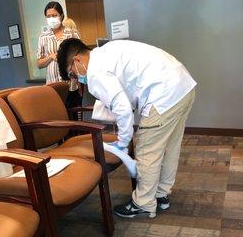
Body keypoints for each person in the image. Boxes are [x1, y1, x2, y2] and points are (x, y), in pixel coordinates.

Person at [57, 38, 196, 219]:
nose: (77, 79)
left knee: (147, 150)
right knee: (170, 147)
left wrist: (122, 142)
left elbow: (123, 109)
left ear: (77, 61)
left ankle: (144, 203)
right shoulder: (107, 51)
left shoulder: (95, 72)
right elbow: (127, 91)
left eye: (73, 75)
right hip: (183, 86)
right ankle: (161, 194)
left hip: (164, 94)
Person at [36, 1, 82, 109]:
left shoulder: (72, 33)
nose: (51, 18)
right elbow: (39, 63)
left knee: (73, 117)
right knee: (58, 118)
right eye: (48, 16)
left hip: (71, 84)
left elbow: (80, 57)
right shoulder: (43, 37)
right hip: (52, 87)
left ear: (61, 16)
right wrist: (50, 57)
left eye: (54, 15)